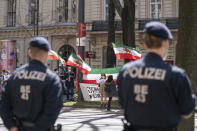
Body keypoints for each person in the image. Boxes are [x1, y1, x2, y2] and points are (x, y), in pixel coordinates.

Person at [117, 21, 195, 131]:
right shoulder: (176, 75)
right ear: (165, 43)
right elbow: (187, 112)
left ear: (145, 44)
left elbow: (122, 103)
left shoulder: (125, 72)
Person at [0, 37, 63, 131]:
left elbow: (4, 105)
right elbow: (52, 110)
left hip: (18, 127)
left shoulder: (14, 76)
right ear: (47, 54)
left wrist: (11, 126)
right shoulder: (51, 79)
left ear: (29, 53)